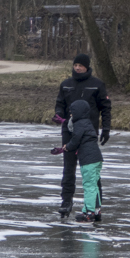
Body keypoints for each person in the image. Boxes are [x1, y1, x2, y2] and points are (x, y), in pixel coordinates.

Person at [53, 53, 111, 219]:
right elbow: (60, 104)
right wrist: (58, 114)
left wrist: (106, 128)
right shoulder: (66, 84)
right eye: (75, 65)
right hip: (69, 131)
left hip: (88, 134)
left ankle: (96, 206)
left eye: (81, 65)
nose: (77, 68)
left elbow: (105, 107)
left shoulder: (97, 84)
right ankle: (66, 201)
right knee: (68, 168)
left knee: (91, 170)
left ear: (87, 67)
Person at [51, 100, 104, 222]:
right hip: (97, 159)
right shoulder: (87, 122)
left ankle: (88, 212)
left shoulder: (79, 124)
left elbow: (76, 140)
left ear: (78, 112)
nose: (71, 115)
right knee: (94, 185)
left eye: (72, 112)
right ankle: (97, 210)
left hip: (88, 160)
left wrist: (67, 147)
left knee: (89, 185)